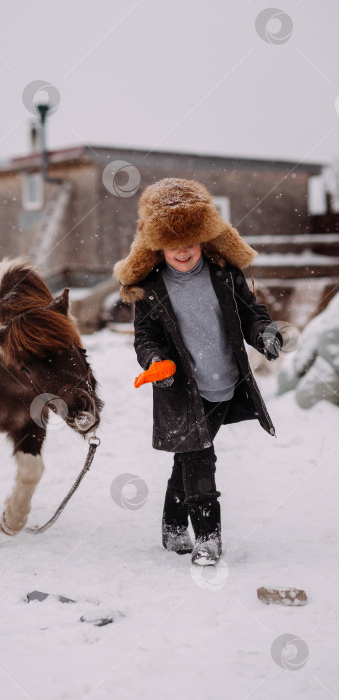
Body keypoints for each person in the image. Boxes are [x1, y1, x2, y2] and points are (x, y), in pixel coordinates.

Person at [113, 178, 282, 566]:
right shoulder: (150, 287)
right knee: (200, 458)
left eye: (189, 242)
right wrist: (155, 362)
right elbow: (145, 336)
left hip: (224, 383)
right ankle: (209, 538)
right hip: (181, 388)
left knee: (187, 458)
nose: (182, 252)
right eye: (172, 244)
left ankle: (173, 525)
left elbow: (250, 314)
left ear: (203, 239)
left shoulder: (224, 274)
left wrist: (264, 333)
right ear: (157, 246)